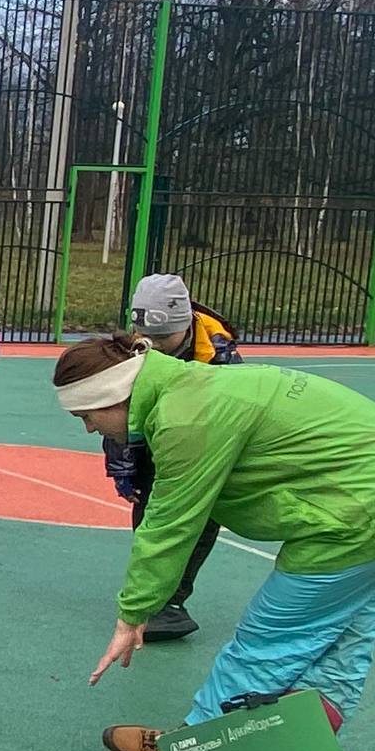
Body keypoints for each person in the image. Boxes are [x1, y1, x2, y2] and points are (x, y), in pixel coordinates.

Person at [59, 333, 375, 751]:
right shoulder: (193, 386)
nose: (89, 428)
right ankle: (303, 732)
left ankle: (200, 750)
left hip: (360, 508)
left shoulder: (184, 418)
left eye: (87, 414)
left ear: (115, 395)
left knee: (268, 639)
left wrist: (132, 614)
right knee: (349, 633)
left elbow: (171, 523)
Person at [101, 273, 243, 642]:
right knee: (149, 515)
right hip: (151, 441)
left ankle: (172, 601)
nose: (156, 348)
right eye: (148, 339)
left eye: (165, 338)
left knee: (204, 518)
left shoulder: (218, 353)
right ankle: (151, 598)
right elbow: (116, 414)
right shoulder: (131, 351)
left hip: (202, 444)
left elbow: (235, 411)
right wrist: (122, 469)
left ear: (185, 325)